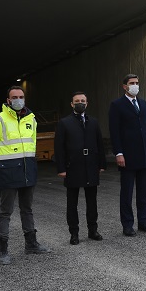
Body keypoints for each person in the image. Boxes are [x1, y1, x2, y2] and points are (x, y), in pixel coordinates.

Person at [0, 85, 51, 265]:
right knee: (6, 211)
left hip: (28, 170)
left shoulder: (31, 119)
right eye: (14, 97)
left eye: (21, 97)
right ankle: (2, 249)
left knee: (27, 209)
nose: (18, 100)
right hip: (8, 171)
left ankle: (31, 244)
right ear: (8, 100)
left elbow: (32, 144)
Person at [108, 74, 146, 236]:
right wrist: (118, 153)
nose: (135, 85)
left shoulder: (144, 104)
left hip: (145, 153)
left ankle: (143, 221)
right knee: (127, 192)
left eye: (137, 82)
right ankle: (127, 224)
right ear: (125, 86)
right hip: (128, 155)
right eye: (132, 83)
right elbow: (114, 131)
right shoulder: (117, 105)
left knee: (144, 192)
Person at [54, 91, 106, 245]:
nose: (80, 103)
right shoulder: (64, 123)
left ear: (87, 103)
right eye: (77, 101)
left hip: (91, 165)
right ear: (72, 104)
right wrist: (61, 168)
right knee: (72, 203)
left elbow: (100, 144)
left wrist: (101, 164)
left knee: (92, 202)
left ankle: (93, 230)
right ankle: (74, 233)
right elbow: (59, 147)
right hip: (73, 167)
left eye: (83, 100)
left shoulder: (93, 122)